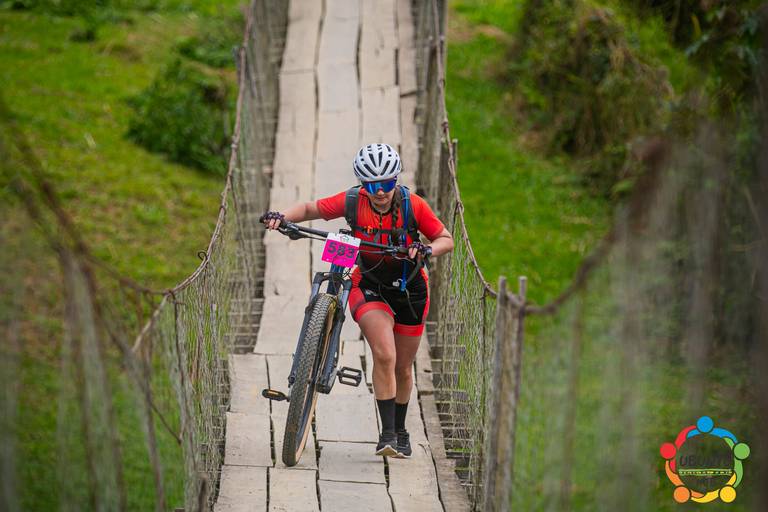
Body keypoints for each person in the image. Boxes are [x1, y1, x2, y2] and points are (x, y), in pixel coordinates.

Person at [261, 143, 454, 458]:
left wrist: (427, 249)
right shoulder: (353, 201)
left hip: (410, 290)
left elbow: (446, 239)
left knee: (403, 367)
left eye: (387, 183)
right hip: (368, 283)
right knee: (385, 354)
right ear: (363, 185)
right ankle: (387, 435)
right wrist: (281, 217)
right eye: (373, 186)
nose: (381, 192)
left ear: (396, 180)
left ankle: (401, 430)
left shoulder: (413, 205)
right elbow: (309, 209)